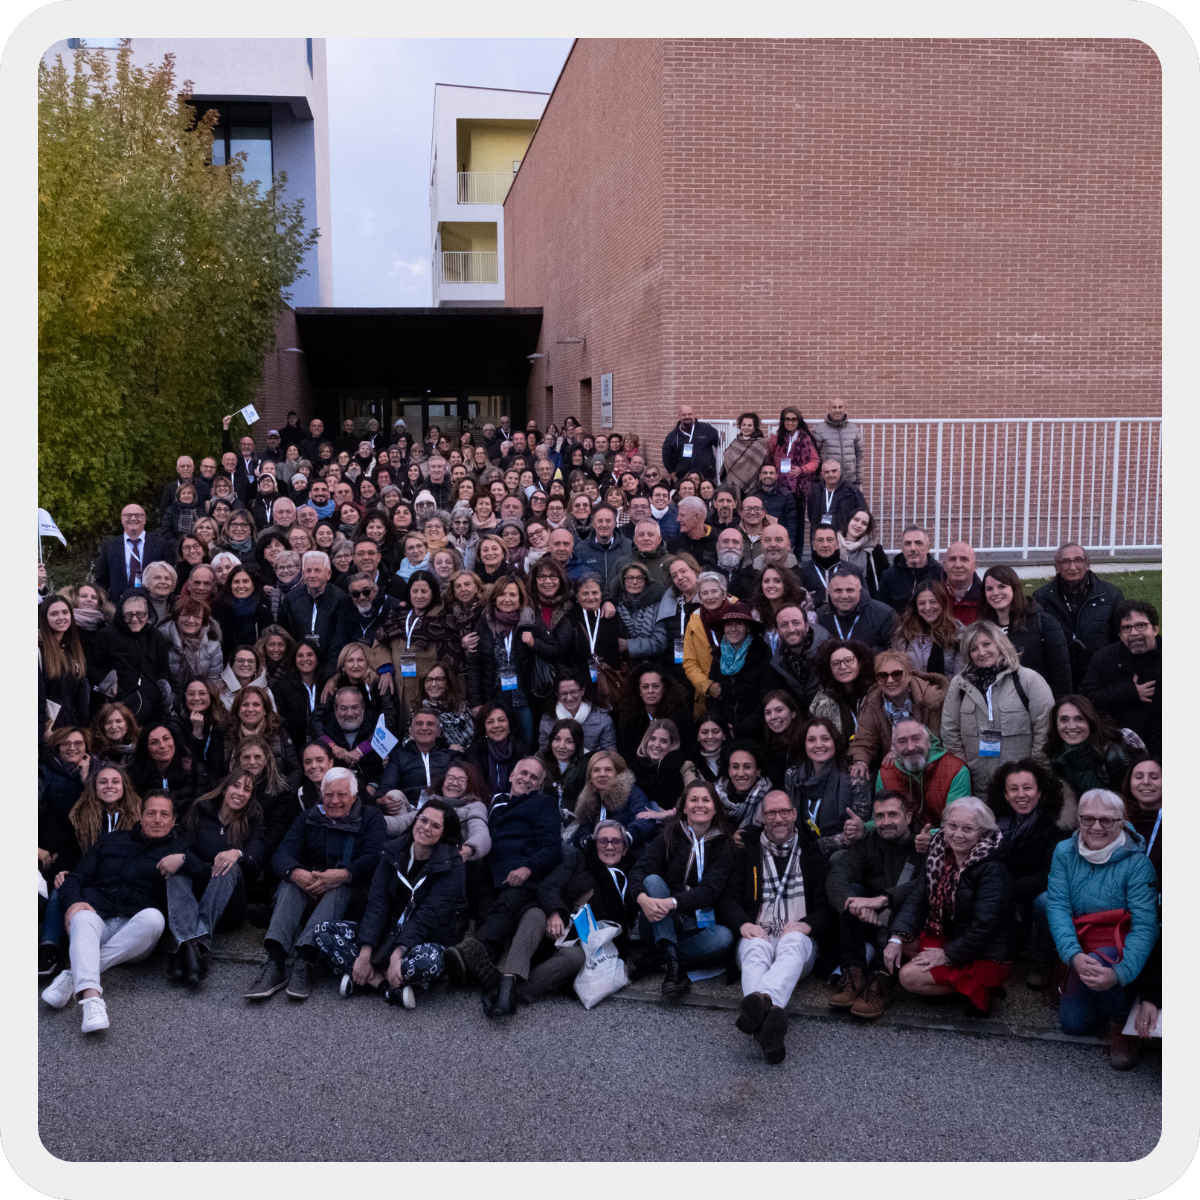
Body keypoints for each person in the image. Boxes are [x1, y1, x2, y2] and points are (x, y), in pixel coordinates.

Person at [43, 792, 200, 1034]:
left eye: (164, 814)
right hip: (100, 916)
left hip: (136, 932)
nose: (157, 819)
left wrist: (185, 860)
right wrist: (74, 903)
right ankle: (92, 997)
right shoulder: (112, 840)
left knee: (154, 918)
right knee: (82, 916)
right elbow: (76, 877)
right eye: (151, 813)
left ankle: (75, 974)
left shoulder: (181, 846)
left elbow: (205, 872)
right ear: (140, 814)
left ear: (173, 820)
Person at [244, 767, 387, 1002]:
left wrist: (344, 874)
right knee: (291, 884)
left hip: (353, 895)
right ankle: (276, 962)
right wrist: (296, 872)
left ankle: (305, 960)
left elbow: (376, 858)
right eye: (329, 794)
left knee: (339, 887)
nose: (334, 800)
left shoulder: (371, 817)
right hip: (314, 889)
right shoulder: (309, 817)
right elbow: (282, 854)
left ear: (354, 796)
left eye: (342, 795)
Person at [1044, 788, 1159, 1066]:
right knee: (1074, 1025)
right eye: (1088, 819)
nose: (1096, 827)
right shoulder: (1064, 851)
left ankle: (1120, 1023)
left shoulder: (1137, 863)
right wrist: (1072, 954)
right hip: (1082, 942)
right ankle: (1101, 994)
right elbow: (1058, 905)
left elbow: (1146, 926)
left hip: (1118, 944)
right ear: (1079, 819)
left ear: (1122, 822)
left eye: (1107, 820)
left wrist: (1120, 973)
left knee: (1103, 969)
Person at [313, 799, 466, 1007]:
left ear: (444, 834)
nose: (426, 828)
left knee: (428, 962)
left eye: (435, 826)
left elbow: (429, 915)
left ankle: (363, 976)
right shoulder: (392, 851)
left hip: (424, 939)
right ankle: (385, 986)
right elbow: (378, 904)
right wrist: (365, 953)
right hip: (385, 933)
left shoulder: (452, 864)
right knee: (323, 931)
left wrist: (397, 954)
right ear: (416, 820)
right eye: (423, 820)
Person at [721, 788, 833, 1061]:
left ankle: (761, 1001)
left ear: (794, 815)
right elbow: (728, 899)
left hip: (796, 940)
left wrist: (808, 925)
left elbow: (828, 907)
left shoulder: (813, 856)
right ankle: (767, 1025)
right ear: (762, 817)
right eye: (771, 812)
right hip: (758, 933)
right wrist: (742, 924)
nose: (778, 818)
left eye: (784, 811)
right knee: (755, 945)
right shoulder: (747, 854)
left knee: (793, 941)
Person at [884, 796, 1014, 1016]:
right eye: (952, 826)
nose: (958, 834)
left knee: (907, 978)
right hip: (952, 935)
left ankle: (980, 990)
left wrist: (946, 955)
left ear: (982, 832)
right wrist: (895, 938)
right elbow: (918, 898)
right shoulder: (940, 850)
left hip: (985, 952)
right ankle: (956, 987)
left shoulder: (992, 867)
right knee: (903, 942)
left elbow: (985, 927)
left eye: (967, 828)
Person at [445, 758, 562, 1001]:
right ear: (511, 775)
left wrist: (527, 868)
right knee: (484, 912)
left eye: (534, 778)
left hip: (521, 873)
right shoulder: (496, 802)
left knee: (502, 911)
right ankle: (483, 972)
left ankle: (467, 958)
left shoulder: (543, 803)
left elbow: (552, 848)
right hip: (490, 872)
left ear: (540, 784)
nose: (526, 780)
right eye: (523, 773)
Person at [496, 818, 640, 1011]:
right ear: (595, 844)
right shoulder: (579, 859)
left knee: (575, 958)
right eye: (602, 841)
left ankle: (516, 992)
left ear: (624, 848)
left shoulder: (630, 875)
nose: (609, 846)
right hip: (550, 924)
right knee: (535, 915)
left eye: (616, 841)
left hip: (579, 940)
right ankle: (507, 984)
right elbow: (550, 886)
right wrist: (555, 912)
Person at [826, 789, 926, 1018]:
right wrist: (853, 905)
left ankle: (882, 979)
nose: (886, 822)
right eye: (879, 816)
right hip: (868, 920)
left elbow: (924, 886)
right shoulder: (869, 843)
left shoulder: (922, 845)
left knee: (907, 904)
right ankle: (853, 973)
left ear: (908, 818)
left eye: (893, 815)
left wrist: (884, 900)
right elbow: (837, 875)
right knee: (852, 892)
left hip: (904, 924)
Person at [166, 769, 266, 986]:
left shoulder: (253, 819)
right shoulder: (199, 810)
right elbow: (182, 847)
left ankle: (189, 946)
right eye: (236, 786)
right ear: (224, 788)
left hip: (229, 908)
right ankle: (192, 953)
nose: (240, 792)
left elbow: (255, 862)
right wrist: (200, 867)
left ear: (251, 796)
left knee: (229, 866)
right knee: (175, 874)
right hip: (194, 898)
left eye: (247, 789)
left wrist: (237, 854)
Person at [985, 759, 1077, 988]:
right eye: (1013, 789)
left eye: (1028, 788)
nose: (1021, 795)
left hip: (1043, 893)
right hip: (1012, 895)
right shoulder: (995, 825)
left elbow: (1050, 875)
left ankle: (1043, 955)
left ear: (1039, 792)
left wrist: (1006, 892)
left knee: (1044, 901)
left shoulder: (1056, 826)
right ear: (1005, 795)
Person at [940, 621, 1055, 794]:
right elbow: (950, 733)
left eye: (987, 644)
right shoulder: (959, 685)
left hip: (1022, 790)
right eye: (973, 649)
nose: (981, 652)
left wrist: (1033, 772)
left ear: (1000, 643)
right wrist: (963, 772)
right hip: (979, 789)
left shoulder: (1029, 680)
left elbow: (1046, 730)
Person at [1031, 544, 1124, 690]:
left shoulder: (1110, 595)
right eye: (1066, 562)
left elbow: (1120, 639)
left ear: (1087, 564)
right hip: (1058, 677)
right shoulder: (1041, 598)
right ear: (1057, 567)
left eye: (1078, 560)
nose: (1073, 567)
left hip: (1098, 676)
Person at [848, 651, 949, 781]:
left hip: (928, 766)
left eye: (897, 674)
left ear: (909, 675)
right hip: (892, 772)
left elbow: (936, 741)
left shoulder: (931, 699)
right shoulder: (873, 703)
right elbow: (863, 741)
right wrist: (860, 761)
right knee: (856, 775)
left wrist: (900, 750)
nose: (890, 680)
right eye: (883, 675)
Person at [1080, 600, 1161, 757]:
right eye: (1126, 628)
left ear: (1155, 629)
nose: (1134, 633)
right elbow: (1087, 700)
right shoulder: (1104, 658)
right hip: (1121, 752)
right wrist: (1130, 693)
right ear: (1119, 634)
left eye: (1141, 625)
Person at [978, 565, 1072, 698]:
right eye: (989, 589)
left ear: (1014, 588)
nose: (995, 593)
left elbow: (1061, 674)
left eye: (1002, 586)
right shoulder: (983, 628)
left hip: (1036, 702)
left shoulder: (1044, 623)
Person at [784, 716, 871, 856]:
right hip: (800, 849)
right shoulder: (792, 775)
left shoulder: (854, 777)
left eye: (825, 739)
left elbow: (856, 832)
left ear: (835, 742)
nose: (818, 745)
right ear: (804, 744)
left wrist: (815, 847)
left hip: (841, 852)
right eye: (811, 740)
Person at [85, 589, 172, 724]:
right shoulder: (105, 636)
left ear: (148, 614)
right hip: (117, 706)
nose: (135, 619)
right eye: (128, 615)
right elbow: (91, 666)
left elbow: (163, 669)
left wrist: (161, 688)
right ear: (121, 614)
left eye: (140, 614)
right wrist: (109, 684)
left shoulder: (156, 637)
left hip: (151, 707)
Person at [876, 719, 972, 834]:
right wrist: (863, 828)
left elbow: (956, 823)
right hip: (899, 843)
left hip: (944, 844)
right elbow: (879, 819)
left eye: (916, 739)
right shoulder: (886, 772)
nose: (910, 747)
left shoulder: (956, 770)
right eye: (902, 741)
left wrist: (931, 837)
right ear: (894, 747)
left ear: (929, 742)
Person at [1045, 694, 1141, 800]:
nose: (1071, 726)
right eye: (1064, 719)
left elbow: (1127, 799)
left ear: (1090, 722)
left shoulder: (1112, 754)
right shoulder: (1053, 755)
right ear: (1055, 724)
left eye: (1079, 719)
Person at [571, 748, 666, 847]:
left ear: (618, 774)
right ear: (590, 778)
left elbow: (644, 820)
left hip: (629, 852)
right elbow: (582, 831)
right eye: (596, 770)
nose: (602, 774)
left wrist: (626, 836)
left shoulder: (632, 791)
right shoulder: (588, 800)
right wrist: (587, 841)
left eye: (608, 769)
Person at [706, 602, 774, 739]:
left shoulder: (761, 654)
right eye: (728, 624)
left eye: (739, 624)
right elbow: (712, 697)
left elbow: (766, 701)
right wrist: (722, 726)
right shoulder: (719, 656)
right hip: (724, 730)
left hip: (756, 731)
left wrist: (739, 730)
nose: (733, 629)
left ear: (748, 628)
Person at [278, 550, 350, 681]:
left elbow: (341, 638)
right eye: (308, 570)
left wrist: (331, 671)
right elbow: (284, 634)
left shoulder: (341, 599)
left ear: (328, 574)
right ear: (303, 573)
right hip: (299, 667)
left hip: (331, 667)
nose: (312, 575)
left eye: (317, 570)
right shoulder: (291, 599)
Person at [615, 664, 696, 763]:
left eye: (656, 686)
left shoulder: (682, 714)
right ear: (639, 691)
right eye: (645, 687)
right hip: (639, 773)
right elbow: (626, 755)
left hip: (674, 772)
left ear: (664, 689)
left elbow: (687, 750)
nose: (650, 691)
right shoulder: (628, 717)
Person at [682, 570, 735, 715]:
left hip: (738, 691)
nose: (709, 597)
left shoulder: (738, 611)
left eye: (714, 591)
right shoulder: (693, 620)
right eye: (704, 593)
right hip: (709, 695)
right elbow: (689, 662)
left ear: (723, 593)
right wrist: (707, 685)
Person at [816, 564, 898, 652]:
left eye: (850, 590)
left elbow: (894, 652)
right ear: (829, 592)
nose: (844, 596)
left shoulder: (885, 614)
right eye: (838, 590)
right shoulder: (820, 615)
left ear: (859, 590)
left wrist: (860, 656)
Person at [892, 580, 965, 679]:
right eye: (922, 603)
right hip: (912, 692)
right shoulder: (904, 633)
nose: (927, 607)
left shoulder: (957, 632)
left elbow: (960, 677)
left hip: (946, 692)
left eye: (933, 602)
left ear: (942, 603)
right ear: (915, 606)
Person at [93, 504, 173, 594]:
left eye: (138, 515)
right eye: (128, 515)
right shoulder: (109, 546)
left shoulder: (161, 545)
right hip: (118, 603)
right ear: (122, 519)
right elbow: (101, 581)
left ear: (145, 519)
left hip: (152, 602)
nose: (133, 518)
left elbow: (169, 576)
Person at [39, 595, 91, 733]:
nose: (61, 617)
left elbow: (80, 698)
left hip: (72, 726)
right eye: (54, 614)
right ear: (45, 618)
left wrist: (84, 732)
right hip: (48, 730)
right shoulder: (39, 650)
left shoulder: (72, 649)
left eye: (65, 612)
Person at [808, 639, 876, 738]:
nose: (843, 667)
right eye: (836, 663)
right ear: (829, 668)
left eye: (848, 660)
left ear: (860, 663)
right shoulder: (822, 701)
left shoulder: (875, 694)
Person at [161, 599, 224, 697]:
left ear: (203, 621)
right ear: (176, 618)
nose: (191, 620)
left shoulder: (213, 645)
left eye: (197, 616)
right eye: (185, 614)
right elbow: (161, 682)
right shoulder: (162, 640)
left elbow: (214, 680)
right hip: (169, 703)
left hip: (202, 700)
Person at [877, 525, 946, 614]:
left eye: (918, 543)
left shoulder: (940, 573)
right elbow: (881, 610)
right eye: (908, 543)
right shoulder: (889, 575)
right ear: (902, 548)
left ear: (928, 547)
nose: (913, 548)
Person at [614, 561, 668, 666]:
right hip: (623, 669)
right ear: (623, 581)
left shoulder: (658, 606)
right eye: (629, 578)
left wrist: (629, 645)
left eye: (639, 578)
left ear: (646, 581)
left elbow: (660, 643)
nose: (634, 582)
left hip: (653, 667)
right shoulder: (615, 608)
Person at [764, 405, 820, 502]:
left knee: (798, 515)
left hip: (800, 486)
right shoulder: (775, 437)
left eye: (794, 419)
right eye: (787, 419)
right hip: (779, 484)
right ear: (783, 420)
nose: (790, 422)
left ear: (798, 421)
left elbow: (815, 460)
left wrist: (802, 469)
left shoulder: (805, 438)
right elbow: (769, 458)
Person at [809, 399, 864, 486]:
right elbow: (813, 456)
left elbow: (859, 455)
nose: (837, 410)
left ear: (845, 409)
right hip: (827, 480)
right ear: (829, 410)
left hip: (849, 480)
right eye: (834, 407)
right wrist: (815, 479)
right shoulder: (819, 430)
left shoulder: (854, 429)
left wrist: (859, 478)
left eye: (840, 407)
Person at [805, 459, 866, 537]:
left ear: (840, 472)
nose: (830, 475)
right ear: (822, 474)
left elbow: (863, 515)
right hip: (820, 537)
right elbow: (811, 516)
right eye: (827, 472)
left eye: (834, 471)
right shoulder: (814, 492)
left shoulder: (852, 492)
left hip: (843, 538)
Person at [661, 403, 720, 482]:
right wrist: (675, 479)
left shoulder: (706, 429)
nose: (687, 417)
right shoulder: (672, 436)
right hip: (683, 480)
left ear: (694, 415)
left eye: (690, 414)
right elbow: (666, 459)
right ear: (679, 416)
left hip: (706, 478)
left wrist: (723, 436)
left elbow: (720, 443)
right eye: (684, 415)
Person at [720, 412, 770, 493]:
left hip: (753, 485)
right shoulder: (734, 443)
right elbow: (726, 465)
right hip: (733, 484)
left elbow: (765, 463)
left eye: (749, 425)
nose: (746, 428)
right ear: (740, 426)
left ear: (754, 427)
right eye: (744, 425)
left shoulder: (761, 444)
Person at [667, 495, 720, 569]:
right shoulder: (674, 544)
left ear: (697, 517)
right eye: (678, 515)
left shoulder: (718, 544)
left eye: (682, 515)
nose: (678, 519)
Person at [943, 542, 982, 625]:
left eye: (964, 559)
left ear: (974, 566)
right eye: (952, 559)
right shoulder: (933, 596)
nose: (958, 565)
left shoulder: (986, 598)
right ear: (944, 566)